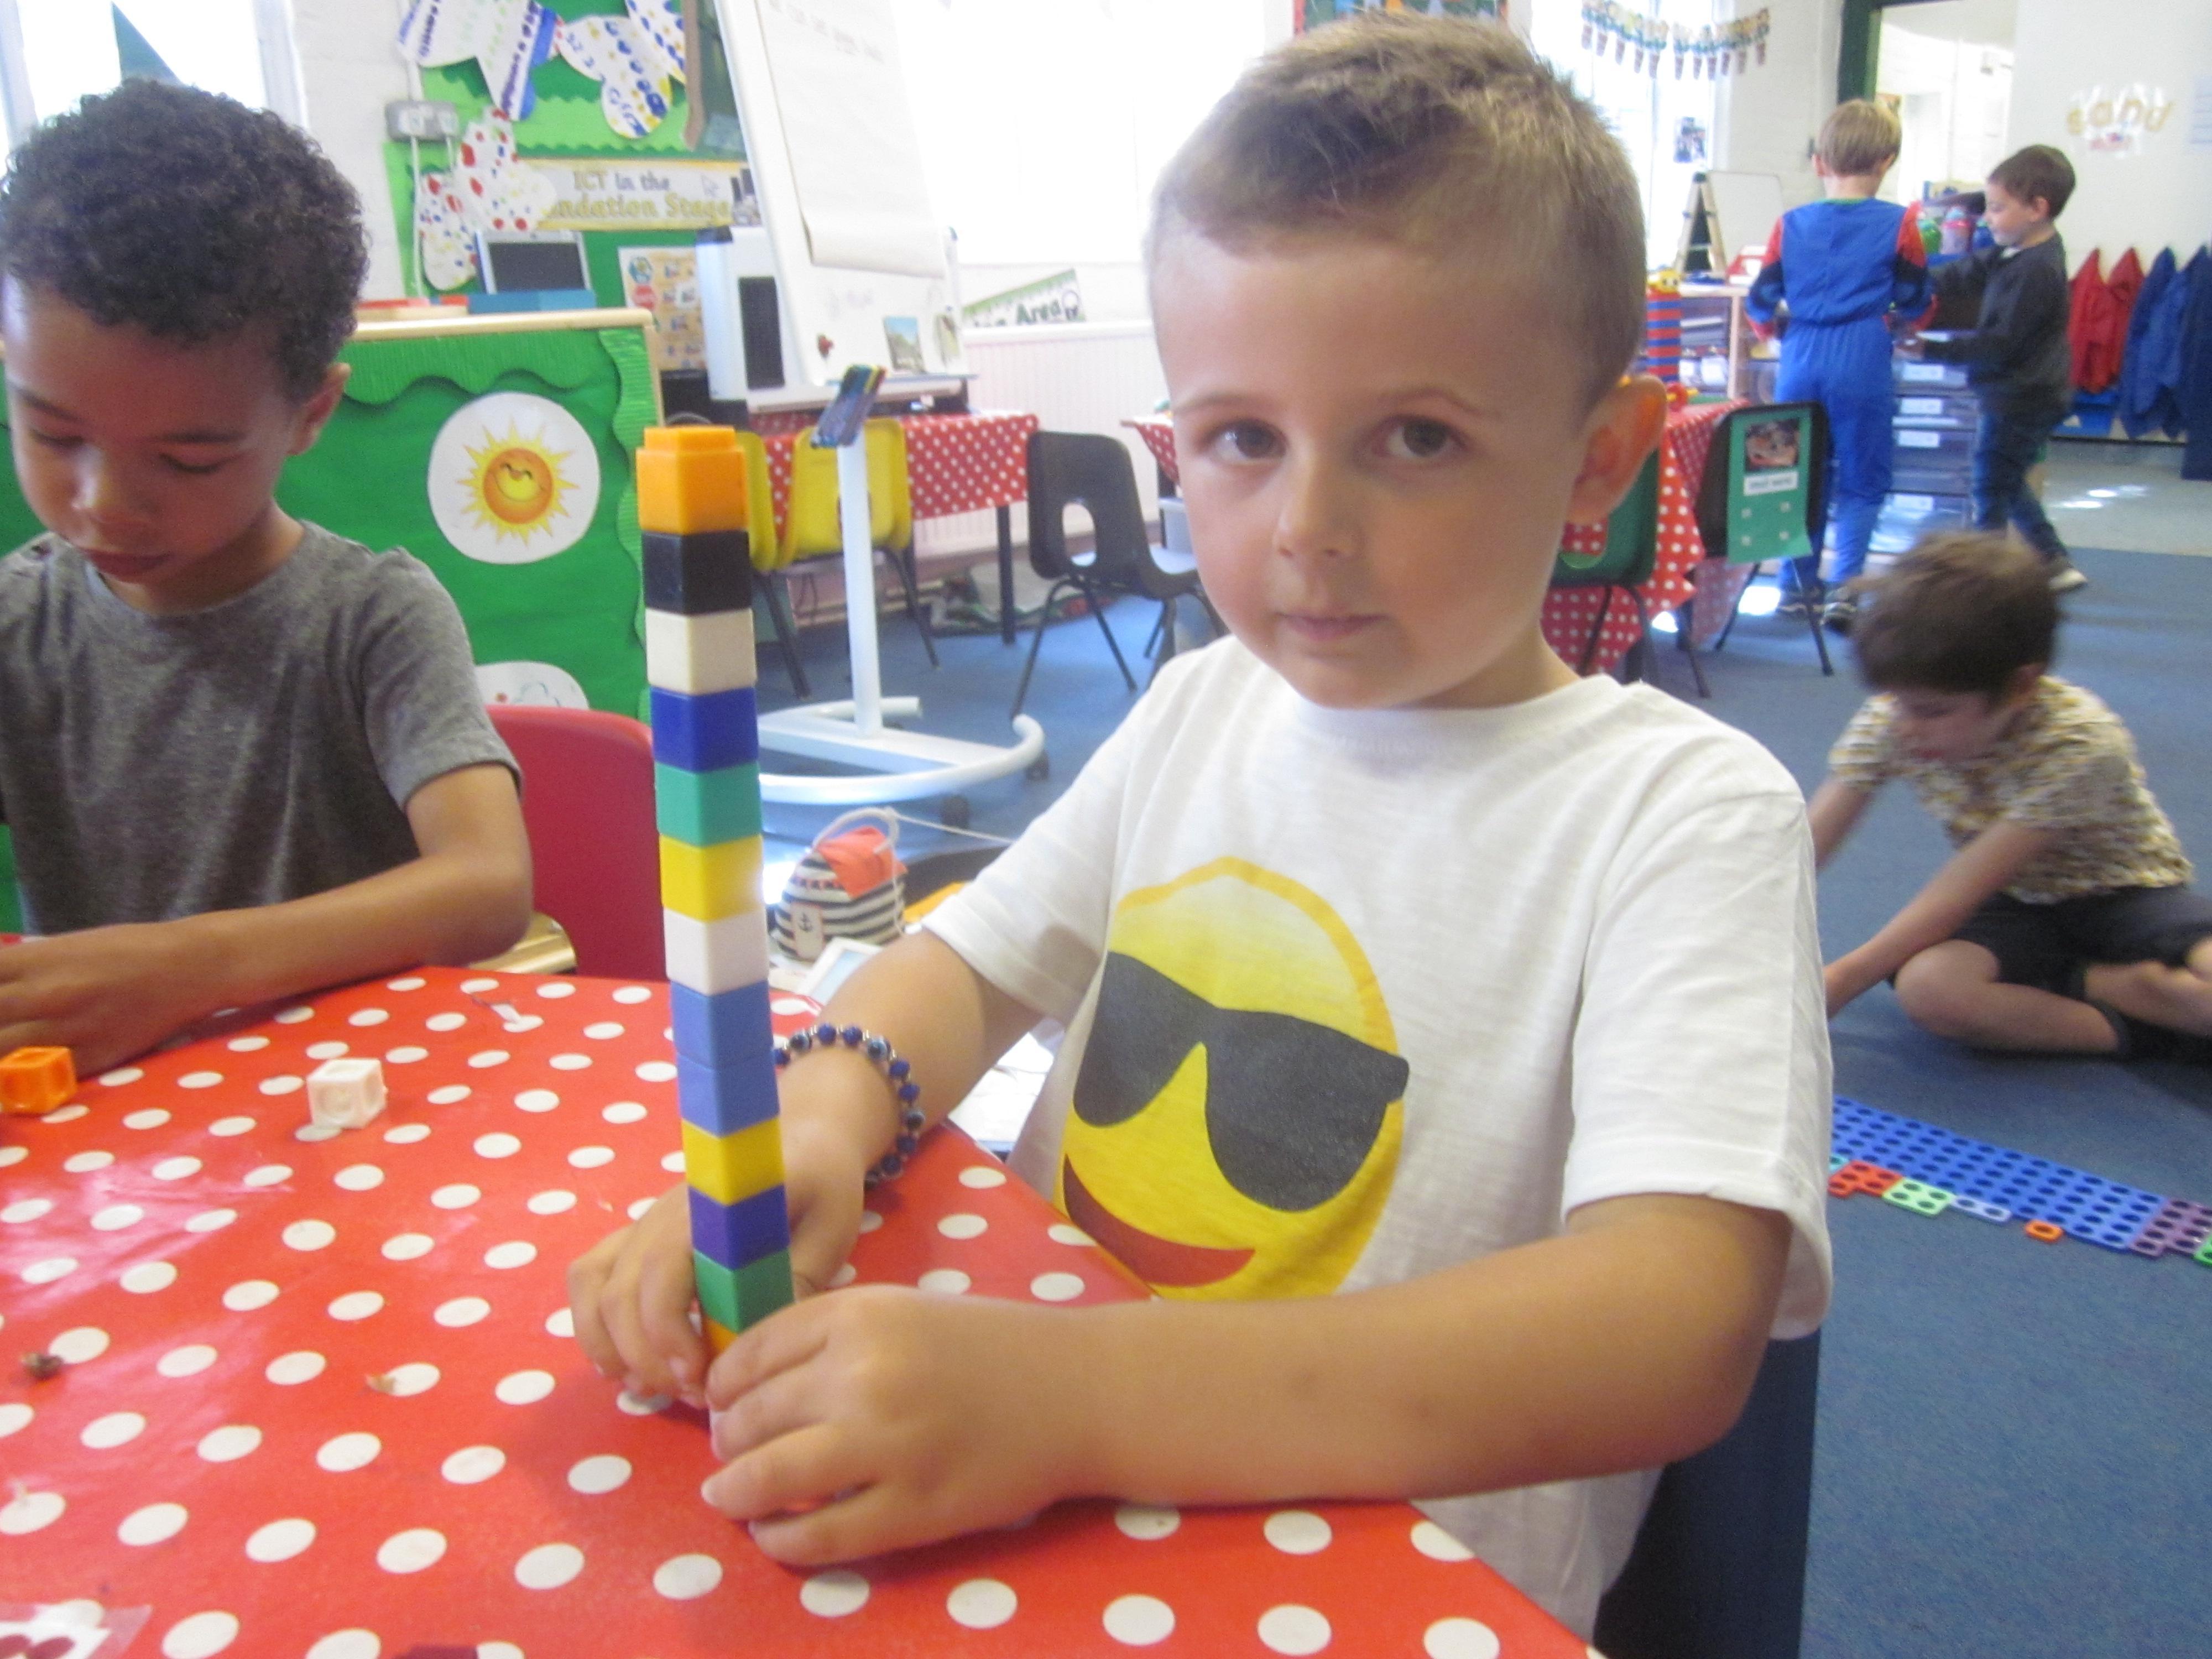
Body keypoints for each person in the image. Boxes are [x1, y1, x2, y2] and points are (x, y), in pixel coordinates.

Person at [571, 17, 1832, 1636]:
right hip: (1022, 1495)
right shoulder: (1198, 709)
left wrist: (1074, 1399)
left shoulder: (1678, 814)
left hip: (1373, 1588)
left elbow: (1669, 1326)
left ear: (1598, 460)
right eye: (1243, 437)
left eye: (1417, 438)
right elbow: (965, 968)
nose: (1307, 527)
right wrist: (817, 1126)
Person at [0, 80, 531, 1073]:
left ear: (309, 414)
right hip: (108, 1133)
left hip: (350, 1107)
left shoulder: (371, 617)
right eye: (53, 435)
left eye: (188, 459)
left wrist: (190, 968)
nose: (104, 503)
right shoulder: (18, 624)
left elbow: (489, 886)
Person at [1813, 533, 2212, 1056]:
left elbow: (1958, 891)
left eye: (1933, 711)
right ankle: (2121, 1001)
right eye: (1896, 701)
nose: (1905, 726)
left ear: (2022, 686)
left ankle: (2114, 993)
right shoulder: (1897, 717)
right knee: (1931, 990)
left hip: (2127, 895)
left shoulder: (2082, 742)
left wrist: (1841, 980)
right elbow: (1807, 846)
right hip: (2019, 902)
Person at [1745, 98, 1931, 634]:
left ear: (1818, 162)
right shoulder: (1901, 224)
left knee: (1794, 473)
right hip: (1861, 353)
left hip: (1800, 354)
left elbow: (1760, 301)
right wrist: (1901, 327)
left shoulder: (1789, 224)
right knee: (1863, 477)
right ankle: (1845, 591)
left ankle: (1792, 587)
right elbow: (1918, 299)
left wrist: (1774, 334)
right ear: (1887, 161)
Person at [1911, 144, 2084, 593]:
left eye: (1998, 208)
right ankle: (2054, 561)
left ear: (2037, 209)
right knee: (2006, 478)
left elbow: (2000, 344)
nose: (1988, 219)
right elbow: (1968, 270)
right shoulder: (2016, 250)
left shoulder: (2036, 271)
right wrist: (1913, 281)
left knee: (1990, 484)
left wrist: (1931, 350)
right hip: (2020, 390)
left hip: (2023, 395)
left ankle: (1984, 580)